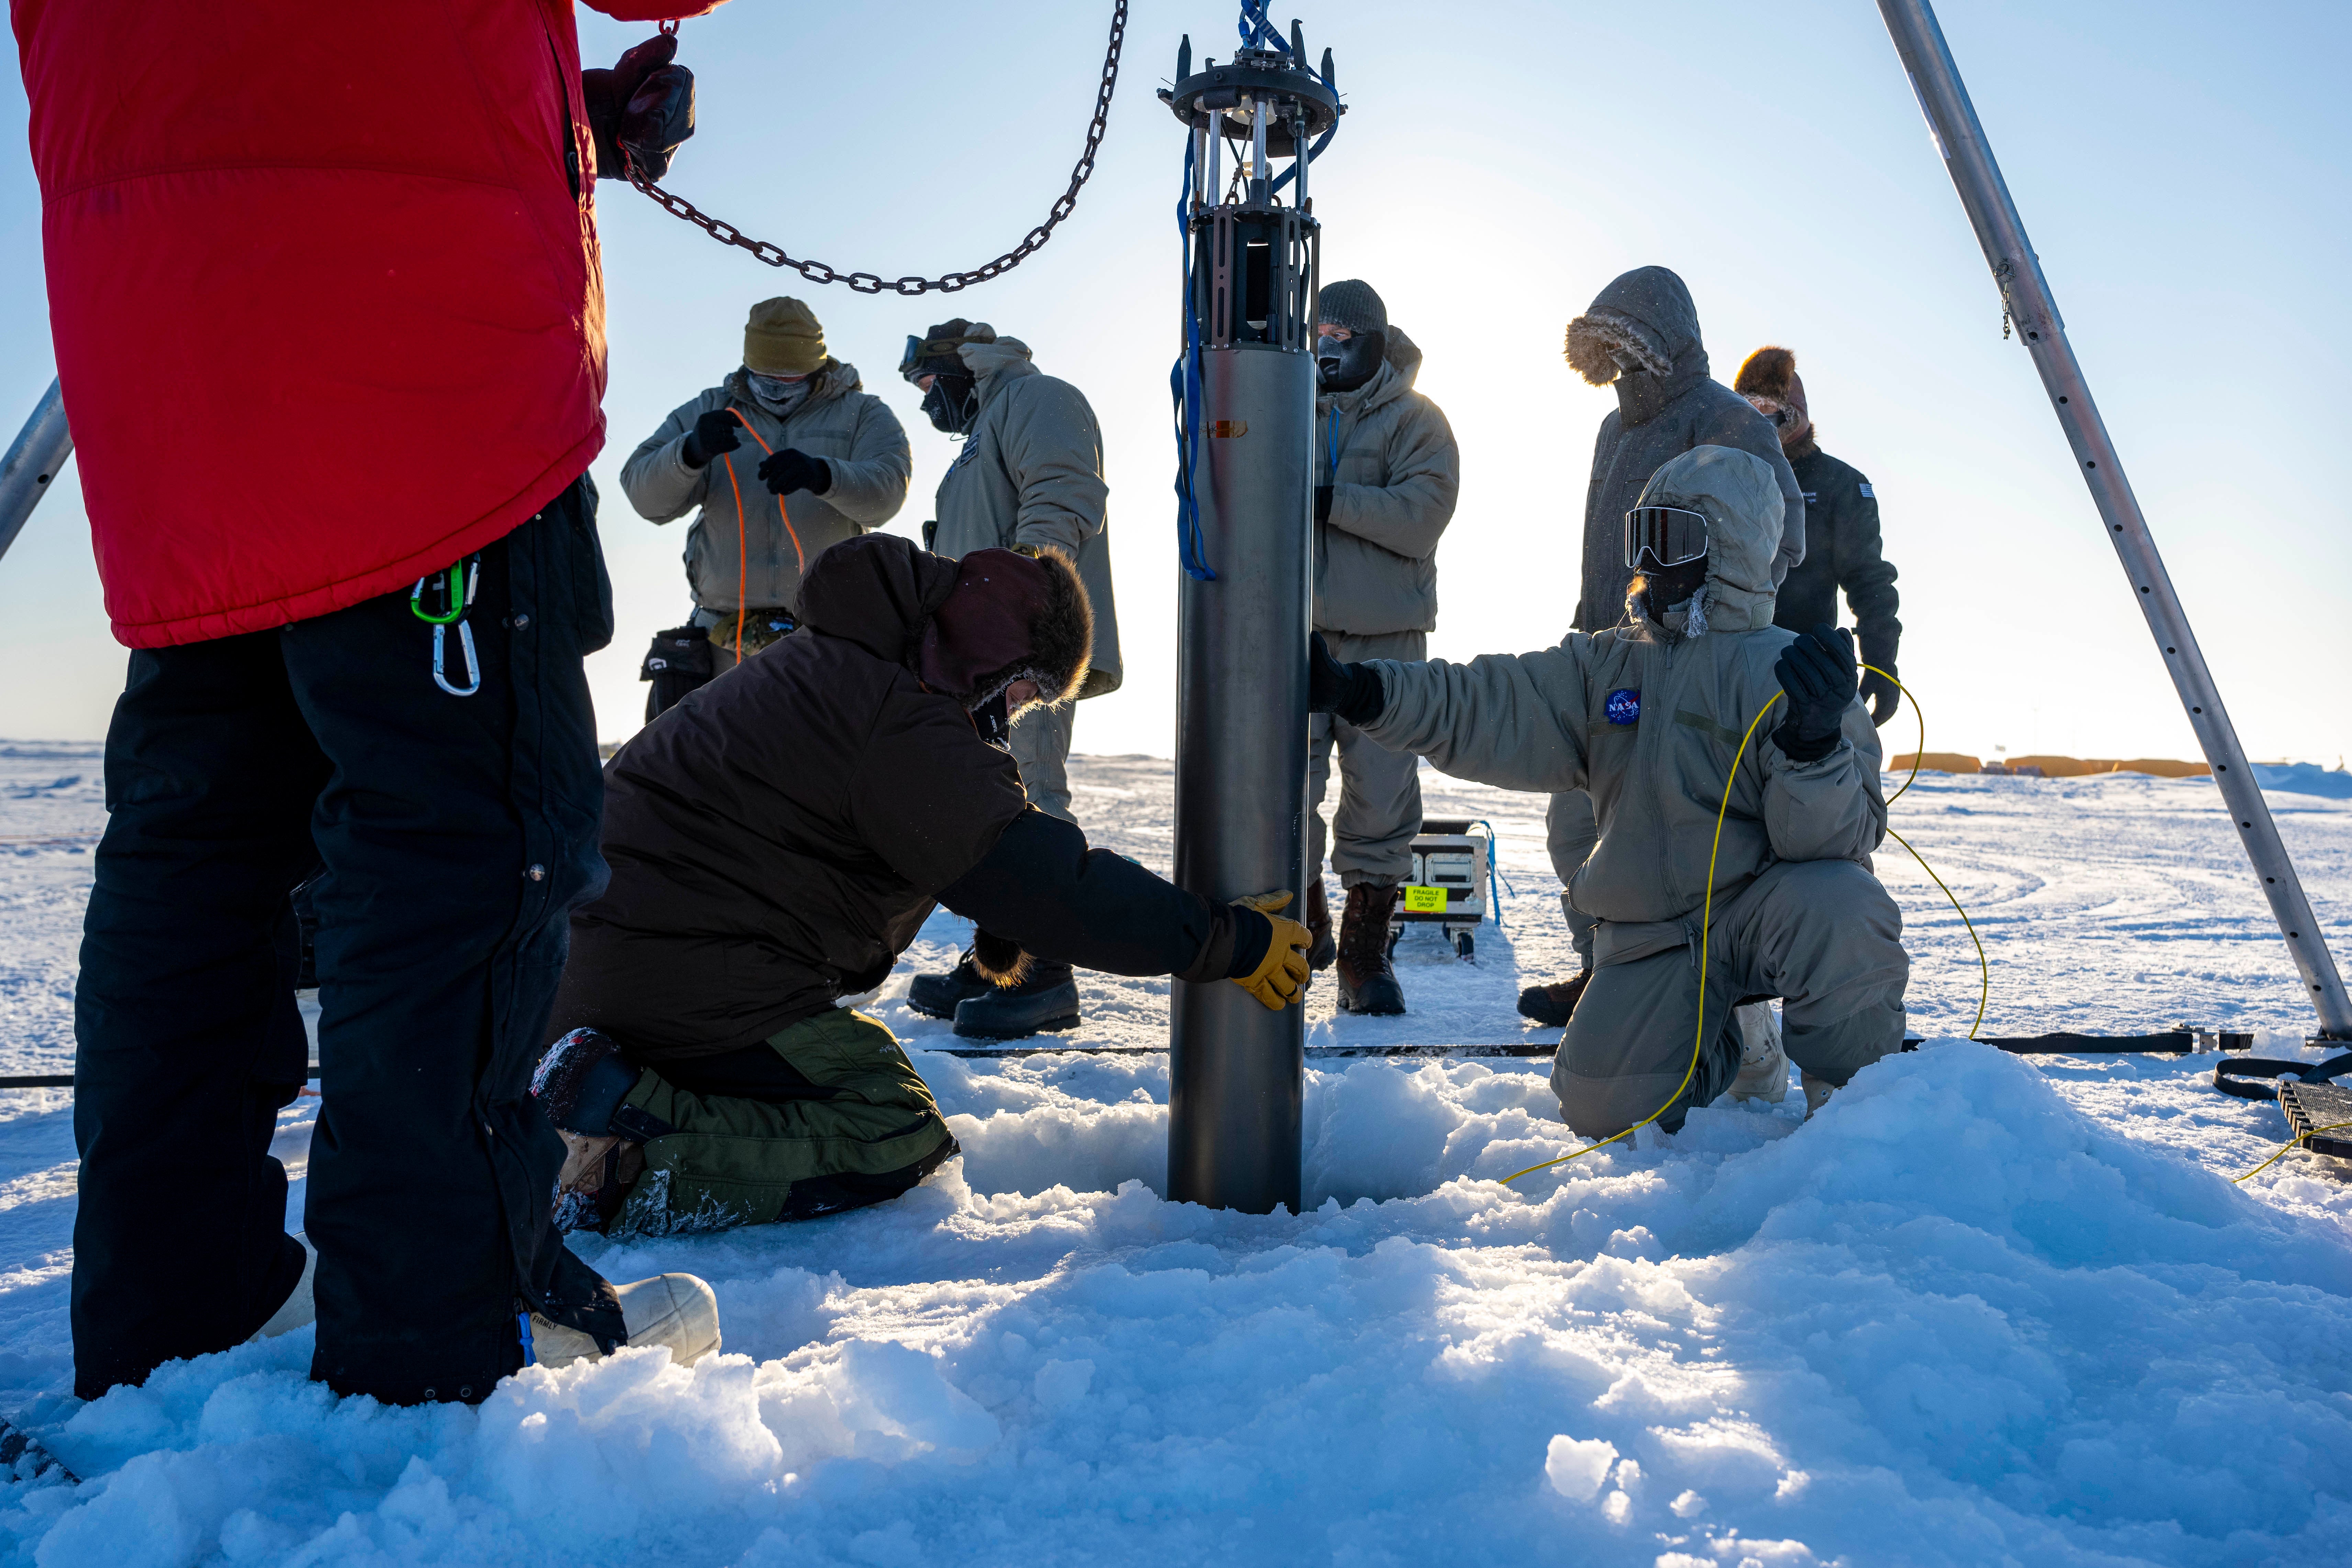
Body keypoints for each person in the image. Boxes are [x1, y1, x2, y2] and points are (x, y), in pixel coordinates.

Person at [22, 4, 728, 1407]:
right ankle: (442, 1344)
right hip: (416, 355)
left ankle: (176, 1322)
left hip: (162, 336)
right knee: (455, 852)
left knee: (201, 859)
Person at [535, 533, 1309, 1234]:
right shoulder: (894, 714)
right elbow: (1052, 886)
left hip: (601, 965)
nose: (1014, 713)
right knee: (890, 1123)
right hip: (671, 971)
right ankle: (616, 1154)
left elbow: (972, 836)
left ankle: (599, 1092)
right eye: (1026, 690)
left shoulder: (847, 662)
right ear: (994, 653)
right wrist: (1224, 939)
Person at [1310, 446, 1907, 1133]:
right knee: (1603, 1109)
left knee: (1843, 902)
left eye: (1674, 538)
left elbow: (1833, 841)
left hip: (1765, 914)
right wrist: (1363, 689)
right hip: (1656, 935)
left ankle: (1853, 1112)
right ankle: (1736, 1041)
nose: (1651, 561)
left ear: (1732, 548)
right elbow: (1487, 701)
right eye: (1642, 537)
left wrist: (1813, 742)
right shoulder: (1607, 665)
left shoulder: (1792, 674)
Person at [1522, 267, 1808, 1032]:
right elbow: (1601, 544)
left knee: (1678, 836)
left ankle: (1713, 1002)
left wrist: (1716, 620)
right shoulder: (1612, 428)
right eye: (1606, 344)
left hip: (1691, 662)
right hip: (1605, 650)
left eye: (1631, 342)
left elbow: (1788, 537)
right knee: (1574, 827)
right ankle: (1603, 971)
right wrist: (1587, 623)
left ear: (1668, 341)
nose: (1620, 359)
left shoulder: (1729, 419)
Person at [895, 322, 1125, 1039]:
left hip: (1031, 639)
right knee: (993, 797)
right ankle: (1003, 959)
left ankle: (1046, 972)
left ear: (961, 367)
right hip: (984, 648)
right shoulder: (984, 430)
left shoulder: (1037, 398)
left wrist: (1023, 597)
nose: (928, 404)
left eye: (930, 386)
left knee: (1033, 790)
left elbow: (1063, 492)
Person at [621, 297, 912, 709]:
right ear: (747, 368)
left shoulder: (863, 414)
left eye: (790, 382)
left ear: (817, 369)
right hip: (723, 646)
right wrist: (688, 453)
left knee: (817, 770)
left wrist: (824, 475)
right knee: (707, 769)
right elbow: (641, 494)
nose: (777, 394)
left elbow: (888, 494)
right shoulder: (710, 408)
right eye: (766, 382)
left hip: (827, 642)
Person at [1301, 280, 1461, 1016]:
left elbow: (1422, 516)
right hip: (1293, 634)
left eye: (1342, 333)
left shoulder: (1418, 422)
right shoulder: (1284, 411)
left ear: (1373, 340)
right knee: (1280, 788)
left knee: (1381, 795)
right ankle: (1303, 925)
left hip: (1387, 639)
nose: (1328, 345)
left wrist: (1330, 499)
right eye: (1319, 331)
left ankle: (1366, 950)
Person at [1733, 346, 1903, 726]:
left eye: (1777, 408)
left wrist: (1881, 660)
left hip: (1802, 676)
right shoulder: (1720, 472)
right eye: (1754, 407)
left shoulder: (1840, 484)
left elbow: (1868, 579)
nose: (1767, 418)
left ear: (1801, 410)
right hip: (1721, 669)